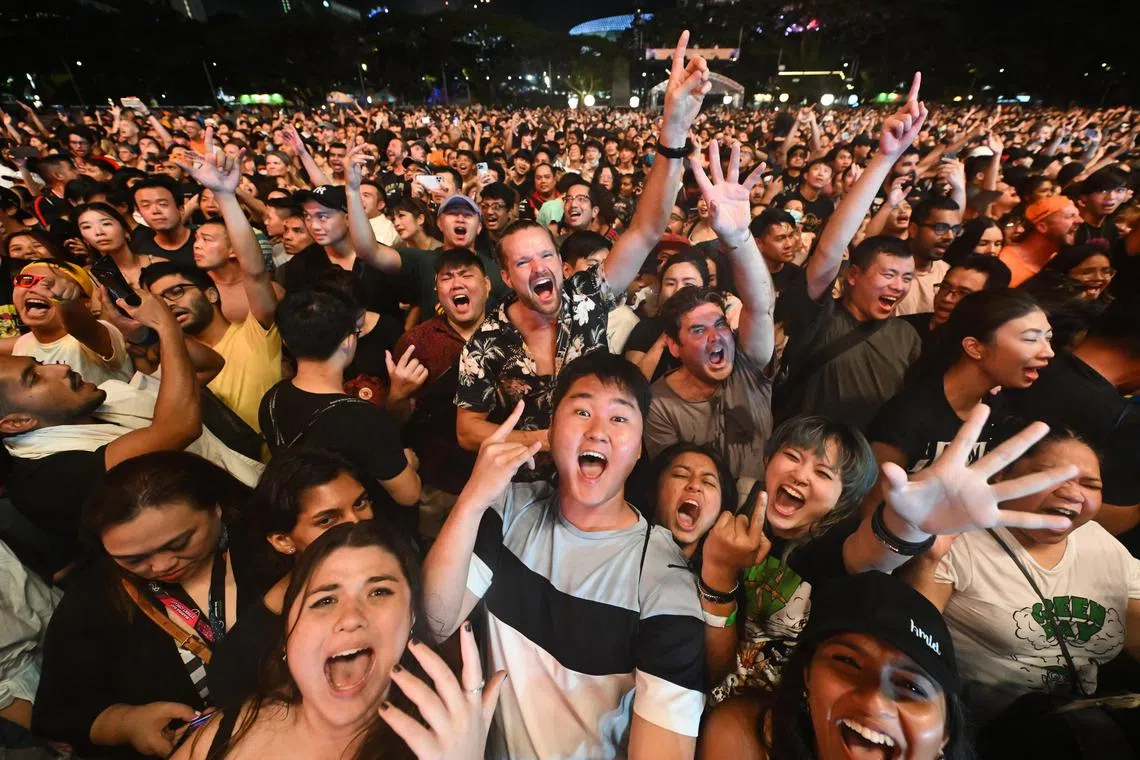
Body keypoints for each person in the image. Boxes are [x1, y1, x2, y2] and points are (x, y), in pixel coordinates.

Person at [424, 352, 706, 760]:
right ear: (551, 430)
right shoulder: (507, 512)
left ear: (641, 447)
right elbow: (437, 620)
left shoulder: (665, 582)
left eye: (620, 418)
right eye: (582, 410)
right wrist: (471, 499)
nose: (598, 431)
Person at [454, 37, 711, 464]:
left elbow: (646, 230)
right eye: (523, 261)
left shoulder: (588, 295)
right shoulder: (486, 343)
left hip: (600, 471)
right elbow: (467, 430)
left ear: (560, 262)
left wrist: (674, 131)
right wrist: (547, 440)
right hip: (525, 486)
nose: (539, 266)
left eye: (546, 256)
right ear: (506, 278)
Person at [172, 521, 502, 760]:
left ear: (411, 621)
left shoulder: (441, 748)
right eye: (325, 600)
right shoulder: (225, 731)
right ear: (288, 633)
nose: (351, 617)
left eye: (379, 592)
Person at [0, 284, 260, 578]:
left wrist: (144, 335)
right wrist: (165, 326)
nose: (58, 368)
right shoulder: (44, 476)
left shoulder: (104, 402)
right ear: (18, 422)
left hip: (246, 510)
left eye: (40, 364)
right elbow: (178, 428)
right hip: (208, 568)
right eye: (34, 378)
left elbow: (206, 366)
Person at [32, 453, 265, 760]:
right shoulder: (95, 598)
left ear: (216, 508)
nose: (161, 565)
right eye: (133, 559)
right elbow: (60, 712)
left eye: (180, 544)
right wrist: (127, 723)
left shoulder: (271, 547)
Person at [909, 431, 1140, 728]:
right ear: (1003, 477)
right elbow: (911, 644)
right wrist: (925, 558)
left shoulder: (1100, 542)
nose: (1073, 493)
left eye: (1090, 484)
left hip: (1078, 726)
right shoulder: (958, 540)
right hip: (986, 731)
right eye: (1052, 477)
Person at [774, 73, 927, 430]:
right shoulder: (818, 317)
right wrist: (884, 159)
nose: (899, 286)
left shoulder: (907, 338)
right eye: (888, 274)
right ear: (853, 275)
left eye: (906, 278)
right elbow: (829, 248)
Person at [699, 572, 971, 760]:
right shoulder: (748, 738)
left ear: (946, 733)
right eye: (848, 662)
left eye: (911, 686)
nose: (875, 700)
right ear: (807, 676)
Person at [645, 141, 776, 483]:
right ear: (674, 346)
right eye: (699, 331)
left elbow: (761, 305)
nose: (717, 336)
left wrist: (738, 236)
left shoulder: (747, 365)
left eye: (719, 324)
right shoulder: (659, 404)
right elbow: (676, 486)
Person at [206, 447, 378, 709]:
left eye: (360, 503)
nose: (357, 524)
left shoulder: (396, 566)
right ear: (283, 541)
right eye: (328, 519)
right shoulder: (254, 647)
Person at [866, 289, 1052, 506]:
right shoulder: (908, 414)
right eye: (1031, 339)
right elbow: (871, 505)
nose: (1048, 352)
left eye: (1048, 338)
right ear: (974, 347)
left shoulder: (999, 410)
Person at [258, 286, 421, 522]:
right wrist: (409, 463)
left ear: (287, 341)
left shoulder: (272, 399)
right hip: (362, 534)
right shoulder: (362, 418)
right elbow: (409, 495)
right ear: (348, 341)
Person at [11, 260, 136, 386]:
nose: (35, 289)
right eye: (26, 280)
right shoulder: (22, 344)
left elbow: (80, 326)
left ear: (86, 302)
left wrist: (66, 303)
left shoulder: (104, 331)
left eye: (50, 284)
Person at [650, 442, 738, 563]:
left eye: (708, 482)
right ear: (655, 491)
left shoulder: (715, 577)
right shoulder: (624, 552)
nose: (695, 485)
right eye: (681, 475)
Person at [558, 230, 640, 353]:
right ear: (566, 270)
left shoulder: (623, 318)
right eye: (593, 265)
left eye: (606, 266)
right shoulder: (549, 311)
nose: (601, 273)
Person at [900, 254, 1012, 343]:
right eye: (944, 287)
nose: (947, 298)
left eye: (963, 293)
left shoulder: (986, 349)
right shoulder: (903, 329)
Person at [892, 197, 960, 317]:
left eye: (955, 229)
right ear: (913, 229)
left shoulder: (948, 273)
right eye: (940, 228)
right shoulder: (887, 269)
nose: (949, 236)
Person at [77, 201, 167, 286]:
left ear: (125, 230)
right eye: (87, 227)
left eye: (106, 224)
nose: (99, 232)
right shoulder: (90, 277)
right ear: (85, 239)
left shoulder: (159, 264)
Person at [999, 196, 1081, 286]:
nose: (1080, 221)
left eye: (1078, 216)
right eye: (1070, 216)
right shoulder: (1005, 263)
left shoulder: (1059, 261)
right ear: (1042, 227)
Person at [131, 175, 198, 266]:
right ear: (139, 212)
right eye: (146, 205)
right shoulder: (138, 250)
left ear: (181, 209)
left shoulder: (204, 240)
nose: (155, 211)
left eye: (163, 204)